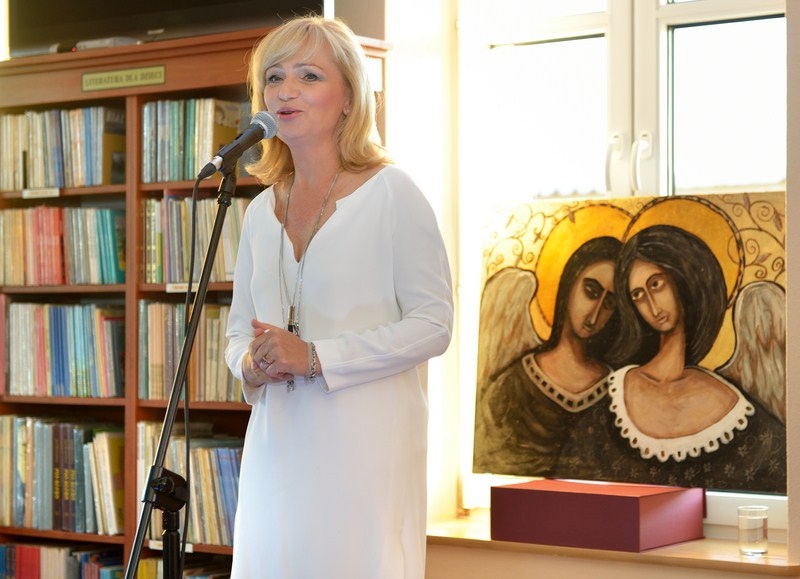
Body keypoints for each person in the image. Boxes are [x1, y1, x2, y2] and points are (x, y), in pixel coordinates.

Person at [223, 16, 454, 579]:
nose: (286, 90)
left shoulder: (392, 193)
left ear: (350, 97)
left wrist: (317, 356)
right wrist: (250, 363)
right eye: (274, 77)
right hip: (277, 448)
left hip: (365, 453)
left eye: (309, 75)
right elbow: (236, 332)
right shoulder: (259, 211)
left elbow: (434, 324)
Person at [557, 225, 786, 492]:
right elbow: (571, 482)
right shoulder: (615, 399)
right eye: (638, 295)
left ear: (683, 278)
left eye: (656, 284)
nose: (652, 306)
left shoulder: (735, 408)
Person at [473, 236, 621, 476]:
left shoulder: (617, 393)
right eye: (591, 291)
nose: (594, 315)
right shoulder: (514, 384)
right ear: (569, 284)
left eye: (609, 303)